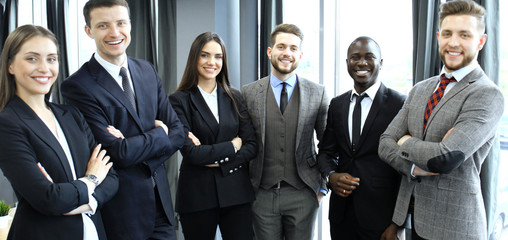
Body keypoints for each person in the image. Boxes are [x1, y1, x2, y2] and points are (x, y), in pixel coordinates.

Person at [378, 1, 504, 239]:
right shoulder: (420, 89)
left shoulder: (487, 94)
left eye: (464, 35)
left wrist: (405, 142)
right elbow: (384, 143)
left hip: (455, 227)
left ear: (481, 41)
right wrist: (413, 167)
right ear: (438, 37)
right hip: (412, 221)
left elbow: (444, 159)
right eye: (447, 34)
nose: (453, 42)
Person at [61, 0, 185, 239]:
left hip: (162, 207)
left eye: (120, 23)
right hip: (122, 213)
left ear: (130, 24)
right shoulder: (77, 86)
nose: (115, 33)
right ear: (89, 30)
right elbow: (115, 153)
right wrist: (159, 134)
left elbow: (178, 132)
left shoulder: (147, 70)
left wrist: (132, 144)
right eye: (103, 25)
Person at [0, 24, 118, 240]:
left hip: (92, 231)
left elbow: (110, 176)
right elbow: (48, 198)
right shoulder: (7, 123)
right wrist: (91, 179)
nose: (44, 68)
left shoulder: (71, 115)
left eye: (51, 59)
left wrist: (84, 203)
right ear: (10, 66)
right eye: (32, 58)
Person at [241, 23, 329, 240]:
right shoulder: (248, 93)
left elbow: (328, 143)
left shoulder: (317, 93)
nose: (286, 53)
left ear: (299, 55)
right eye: (281, 47)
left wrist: (322, 188)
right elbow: (243, 142)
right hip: (261, 193)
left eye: (292, 48)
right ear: (270, 52)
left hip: (303, 193)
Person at [169, 32, 257, 240]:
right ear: (194, 58)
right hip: (198, 196)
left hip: (237, 194)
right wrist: (233, 146)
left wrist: (218, 160)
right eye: (205, 55)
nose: (212, 62)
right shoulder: (178, 101)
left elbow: (252, 145)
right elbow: (192, 153)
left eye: (218, 57)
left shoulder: (235, 97)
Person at [317, 36, 405, 240]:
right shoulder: (337, 105)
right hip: (341, 215)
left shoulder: (399, 103)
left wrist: (397, 223)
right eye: (355, 57)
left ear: (381, 63)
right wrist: (331, 176)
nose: (362, 62)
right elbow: (326, 152)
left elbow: (404, 169)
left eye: (369, 57)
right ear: (347, 63)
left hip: (382, 219)